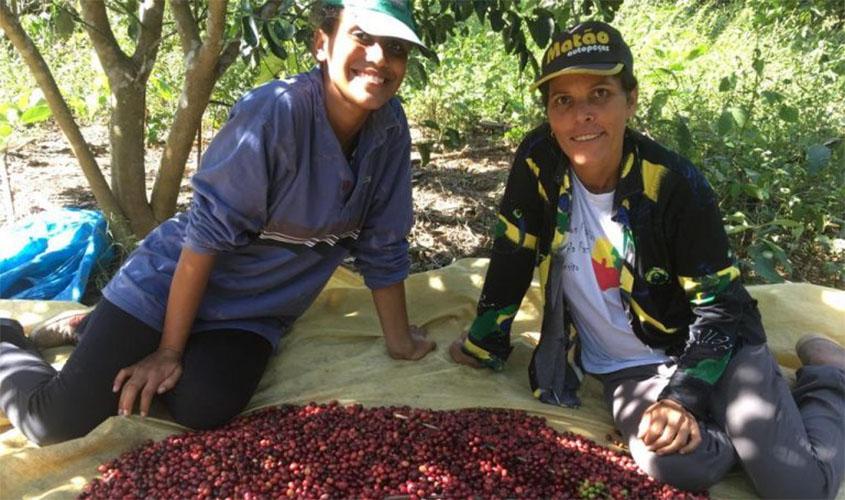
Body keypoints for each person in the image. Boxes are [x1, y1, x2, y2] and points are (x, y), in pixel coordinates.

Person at [0, 0, 435, 446]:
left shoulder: (389, 128)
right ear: (321, 44)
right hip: (166, 285)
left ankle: (92, 330)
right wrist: (168, 351)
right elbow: (204, 239)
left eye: (396, 48)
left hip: (252, 312)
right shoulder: (275, 114)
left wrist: (399, 342)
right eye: (362, 37)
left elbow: (383, 243)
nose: (380, 58)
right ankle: (9, 339)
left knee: (204, 405)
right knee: (53, 423)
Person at [449, 21, 845, 498]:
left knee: (799, 490)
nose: (582, 116)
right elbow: (514, 249)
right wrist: (485, 343)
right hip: (626, 368)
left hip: (713, 348)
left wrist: (681, 399)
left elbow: (720, 308)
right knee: (674, 462)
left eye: (600, 94)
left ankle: (828, 375)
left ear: (631, 99)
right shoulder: (539, 161)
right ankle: (746, 432)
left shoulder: (674, 185)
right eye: (563, 101)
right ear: (549, 112)